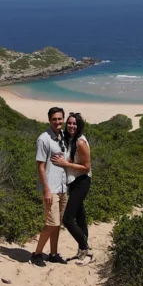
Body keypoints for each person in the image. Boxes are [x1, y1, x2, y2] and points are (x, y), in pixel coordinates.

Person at [51, 112, 94, 265]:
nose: (71, 126)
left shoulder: (80, 143)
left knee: (68, 219)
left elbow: (86, 167)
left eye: (74, 123)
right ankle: (84, 252)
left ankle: (86, 248)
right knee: (81, 217)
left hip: (82, 181)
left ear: (79, 125)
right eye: (69, 123)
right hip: (74, 181)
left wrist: (65, 164)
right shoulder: (70, 138)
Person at [31, 106, 69, 267]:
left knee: (58, 223)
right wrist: (46, 189)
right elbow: (40, 166)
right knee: (51, 223)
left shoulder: (64, 137)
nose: (57, 122)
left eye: (60, 119)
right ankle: (37, 253)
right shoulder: (43, 139)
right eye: (54, 119)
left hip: (63, 187)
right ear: (49, 120)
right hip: (51, 188)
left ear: (63, 119)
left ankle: (53, 254)